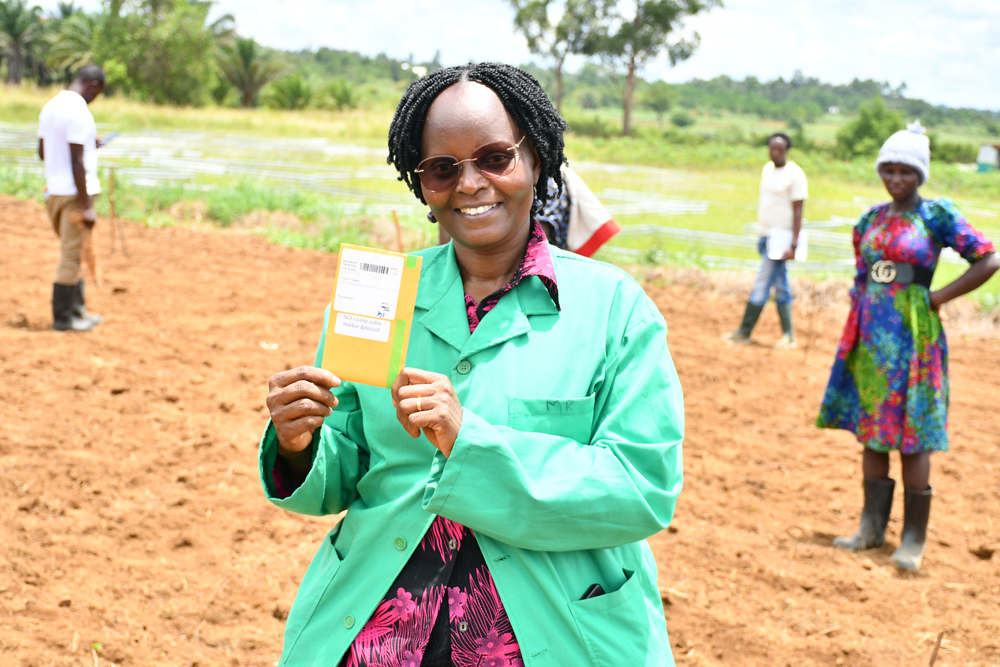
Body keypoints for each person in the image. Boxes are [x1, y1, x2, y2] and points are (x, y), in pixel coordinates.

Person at [259, 63, 684, 667]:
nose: (471, 183)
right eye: (442, 168)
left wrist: (471, 443)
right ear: (421, 184)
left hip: (554, 631)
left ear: (535, 159)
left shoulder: (614, 309)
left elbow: (640, 488)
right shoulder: (380, 295)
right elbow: (348, 463)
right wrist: (300, 443)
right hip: (378, 632)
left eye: (494, 157)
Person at [816, 122, 998, 572]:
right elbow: (864, 275)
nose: (896, 179)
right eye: (889, 170)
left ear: (920, 174)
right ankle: (870, 529)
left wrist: (937, 297)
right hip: (872, 338)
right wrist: (856, 316)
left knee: (913, 434)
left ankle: (912, 540)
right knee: (872, 429)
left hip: (915, 338)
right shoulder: (871, 220)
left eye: (906, 171)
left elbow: (989, 258)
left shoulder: (936, 216)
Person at [37, 64, 106, 332]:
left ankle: (78, 310)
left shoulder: (50, 107)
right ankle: (64, 317)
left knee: (73, 251)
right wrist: (87, 207)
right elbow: (77, 163)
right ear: (93, 85)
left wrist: (90, 142)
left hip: (53, 191)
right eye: (97, 94)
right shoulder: (80, 113)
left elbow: (43, 151)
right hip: (75, 195)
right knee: (70, 255)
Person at [723, 132, 808, 349]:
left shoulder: (795, 174)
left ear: (787, 150)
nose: (775, 152)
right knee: (780, 286)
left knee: (762, 283)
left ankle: (744, 330)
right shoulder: (768, 169)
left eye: (779, 149)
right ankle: (788, 335)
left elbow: (799, 211)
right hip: (765, 236)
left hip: (782, 239)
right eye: (772, 148)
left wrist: (794, 243)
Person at [437, 166, 621, 257]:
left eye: (496, 159)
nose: (469, 185)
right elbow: (445, 248)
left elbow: (537, 244)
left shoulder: (550, 184)